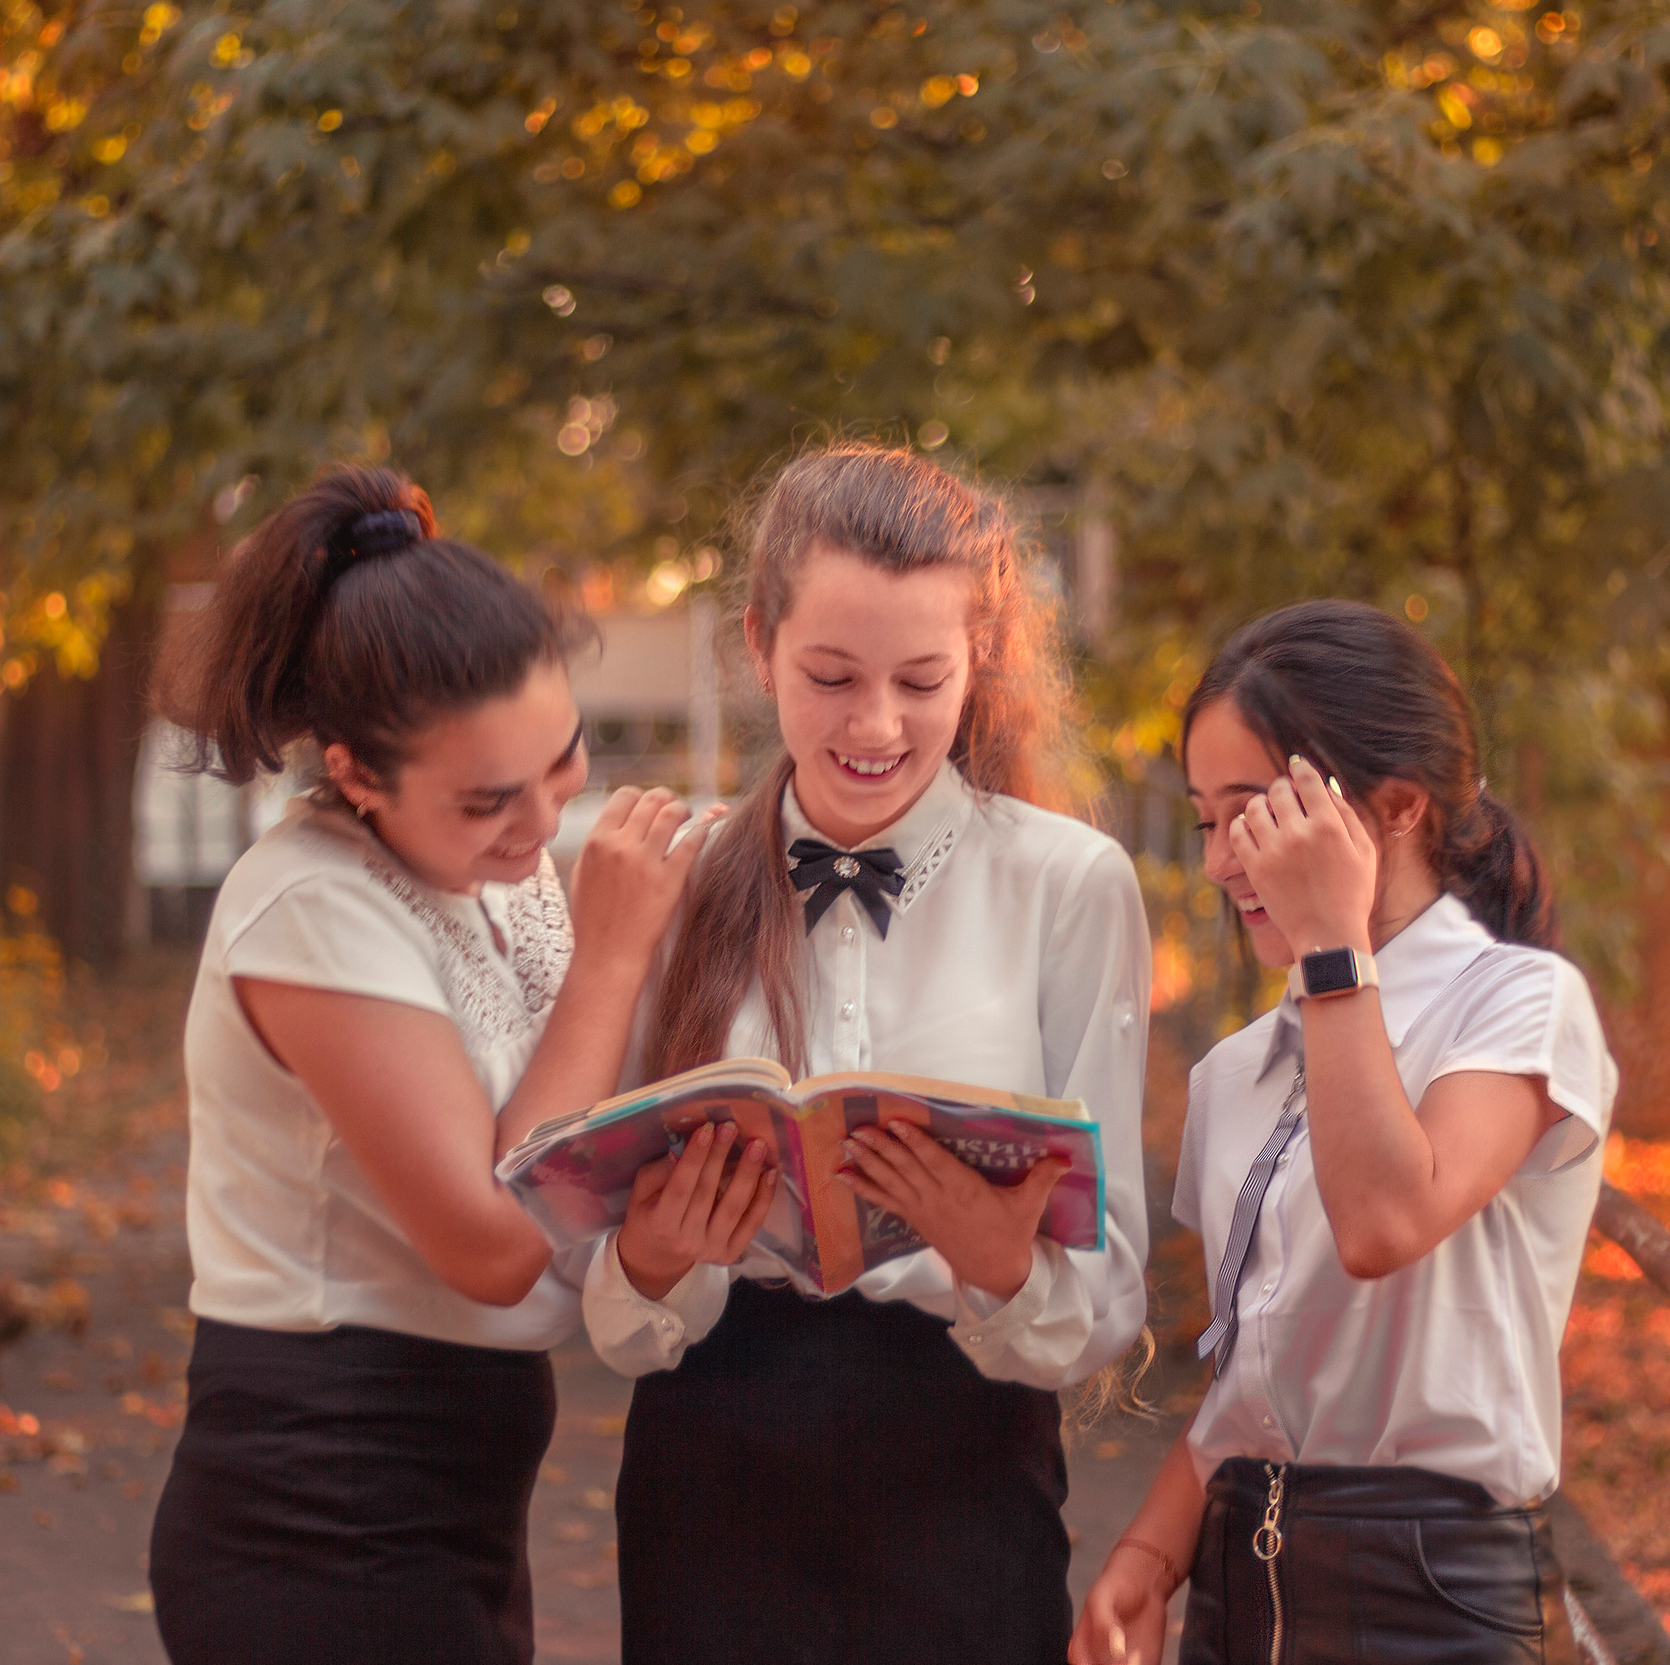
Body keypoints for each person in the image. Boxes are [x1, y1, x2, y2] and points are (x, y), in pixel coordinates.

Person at [142, 465, 756, 1665]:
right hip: (323, 1502)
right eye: (488, 801)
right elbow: (488, 1240)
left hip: (456, 1499)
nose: (537, 826)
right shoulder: (310, 909)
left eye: (564, 763)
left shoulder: (487, 871)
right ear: (356, 773)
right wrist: (610, 957)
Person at [578, 443, 1154, 1665]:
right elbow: (617, 1318)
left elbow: (1107, 1298)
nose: (876, 725)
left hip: (964, 1467)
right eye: (830, 676)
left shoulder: (1069, 886)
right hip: (707, 1476)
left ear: (979, 662)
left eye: (921, 679)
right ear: (757, 644)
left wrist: (1005, 1265)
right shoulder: (675, 885)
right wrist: (648, 1256)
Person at [1074, 600, 1615, 1665]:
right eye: (1204, 821)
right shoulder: (1236, 1073)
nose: (1225, 861)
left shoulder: (1516, 1004)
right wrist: (1146, 1553)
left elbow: (1382, 1220)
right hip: (1237, 1576)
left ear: (1398, 806)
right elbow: (1253, 1373)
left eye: (1256, 815)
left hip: (1431, 1595)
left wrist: (1331, 946)